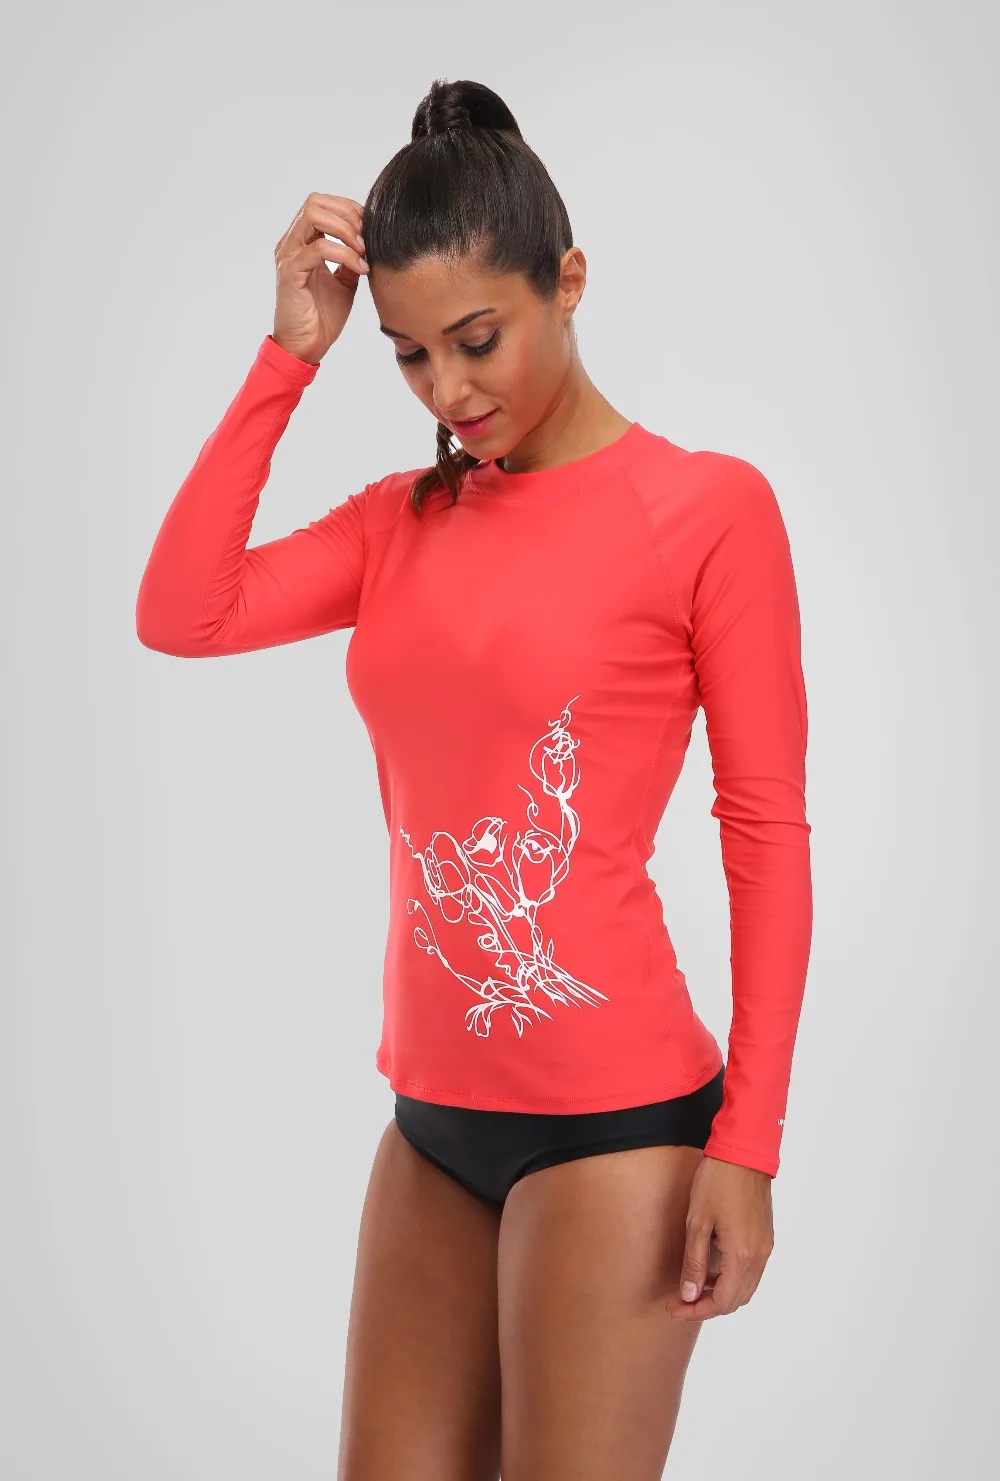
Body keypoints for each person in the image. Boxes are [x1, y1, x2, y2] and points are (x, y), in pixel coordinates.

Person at [136, 76, 812, 1481]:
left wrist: (748, 1145)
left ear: (568, 281)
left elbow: (765, 833)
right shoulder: (401, 521)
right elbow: (183, 613)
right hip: (432, 1127)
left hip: (617, 1131)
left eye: (478, 339)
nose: (448, 392)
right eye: (408, 355)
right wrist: (289, 359)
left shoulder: (706, 510)